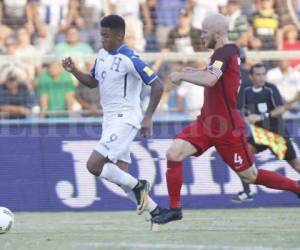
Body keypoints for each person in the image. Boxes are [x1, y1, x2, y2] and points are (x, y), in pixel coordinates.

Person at [151, 13, 300, 225]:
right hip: (206, 123)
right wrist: (194, 70)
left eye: (204, 32)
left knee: (250, 176)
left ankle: (296, 188)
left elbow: (211, 79)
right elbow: (214, 75)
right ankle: (174, 209)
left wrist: (182, 75)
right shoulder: (224, 53)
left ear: (217, 33)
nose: (201, 36)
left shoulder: (225, 51)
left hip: (226, 128)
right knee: (173, 153)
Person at [62, 15, 164, 217]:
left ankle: (140, 185)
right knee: (121, 176)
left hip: (125, 119)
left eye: (106, 36)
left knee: (93, 165)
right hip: (109, 120)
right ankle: (157, 211)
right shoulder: (101, 54)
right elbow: (92, 82)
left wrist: (148, 117)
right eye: (101, 35)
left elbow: (157, 84)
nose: (102, 39)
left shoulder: (130, 58)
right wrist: (74, 70)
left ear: (119, 36)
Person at [231, 63, 300, 202]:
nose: (261, 77)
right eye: (258, 74)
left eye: (263, 74)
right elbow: (240, 110)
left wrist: (262, 117)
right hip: (260, 136)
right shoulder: (246, 91)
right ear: (251, 77)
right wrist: (246, 116)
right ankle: (246, 192)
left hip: (276, 135)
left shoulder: (270, 89)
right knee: (242, 154)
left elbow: (280, 109)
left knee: (296, 165)